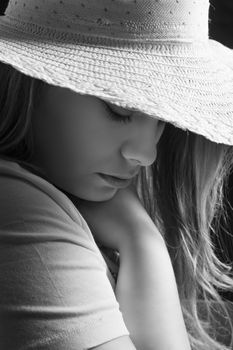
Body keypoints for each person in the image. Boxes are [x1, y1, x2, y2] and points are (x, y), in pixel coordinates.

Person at [0, 0, 233, 349]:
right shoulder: (17, 208)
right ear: (30, 83)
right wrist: (142, 241)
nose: (146, 155)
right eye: (119, 109)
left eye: (162, 121)